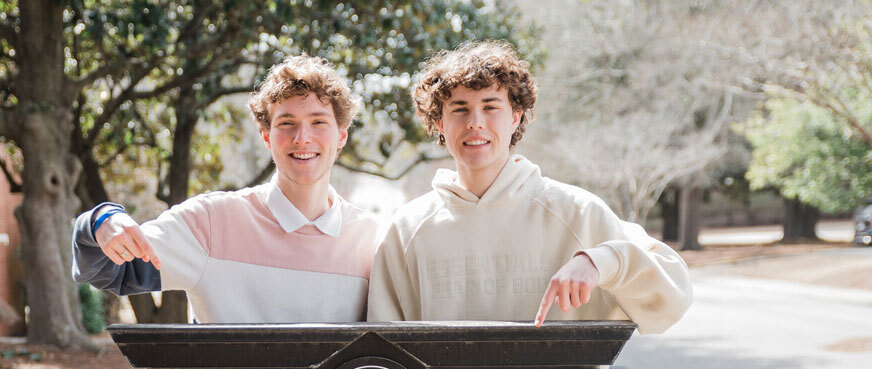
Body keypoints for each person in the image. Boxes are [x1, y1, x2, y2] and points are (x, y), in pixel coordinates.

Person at [368, 41, 692, 333]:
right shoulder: (405, 232)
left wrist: (600, 261)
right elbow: (382, 353)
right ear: (440, 122)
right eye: (460, 109)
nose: (475, 122)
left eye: (491, 106)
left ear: (515, 117)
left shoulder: (576, 212)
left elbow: (673, 297)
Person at [72, 56, 379, 323]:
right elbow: (107, 272)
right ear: (266, 136)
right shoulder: (210, 224)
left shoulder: (372, 240)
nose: (302, 137)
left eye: (318, 122)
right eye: (286, 123)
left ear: (341, 137)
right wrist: (100, 220)